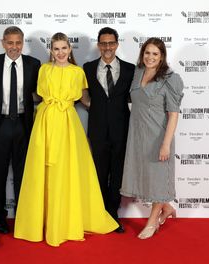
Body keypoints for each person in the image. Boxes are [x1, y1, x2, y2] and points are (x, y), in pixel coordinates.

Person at [14, 32, 118, 247]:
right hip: (45, 122)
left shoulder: (78, 72)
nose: (60, 52)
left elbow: (86, 100)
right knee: (43, 172)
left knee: (67, 171)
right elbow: (36, 96)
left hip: (68, 125)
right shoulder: (44, 70)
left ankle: (65, 222)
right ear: (51, 51)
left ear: (70, 50)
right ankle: (39, 222)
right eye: (56, 49)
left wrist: (109, 112)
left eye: (64, 48)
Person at [120, 37, 183, 239]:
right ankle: (166, 207)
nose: (150, 57)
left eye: (155, 54)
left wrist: (166, 144)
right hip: (137, 136)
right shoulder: (137, 72)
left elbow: (173, 114)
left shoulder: (170, 79)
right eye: (147, 53)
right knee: (145, 177)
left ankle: (152, 221)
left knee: (156, 179)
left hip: (158, 137)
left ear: (162, 56)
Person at [0, 26, 40, 234]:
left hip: (24, 125)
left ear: (22, 43)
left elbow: (40, 93)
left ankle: (22, 216)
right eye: (10, 42)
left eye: (18, 43)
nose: (14, 47)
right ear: (3, 43)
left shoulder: (33, 64)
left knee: (23, 174)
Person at [83, 27, 135, 232]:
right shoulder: (87, 68)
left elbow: (135, 97)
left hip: (122, 130)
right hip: (97, 131)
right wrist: (96, 109)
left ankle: (113, 215)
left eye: (111, 43)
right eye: (103, 43)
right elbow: (83, 96)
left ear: (116, 44)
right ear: (98, 45)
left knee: (118, 173)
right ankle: (100, 212)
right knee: (99, 173)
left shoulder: (131, 69)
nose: (107, 47)